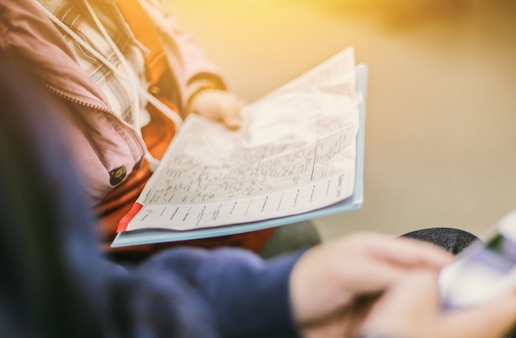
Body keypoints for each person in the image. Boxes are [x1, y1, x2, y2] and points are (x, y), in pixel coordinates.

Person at [0, 53, 516, 338]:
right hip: (137, 240)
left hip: (143, 331)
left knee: (442, 254)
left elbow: (69, 302)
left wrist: (274, 299)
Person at [0, 0, 320, 262]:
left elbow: (164, 24)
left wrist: (198, 88)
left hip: (171, 145)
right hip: (93, 221)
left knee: (297, 235)